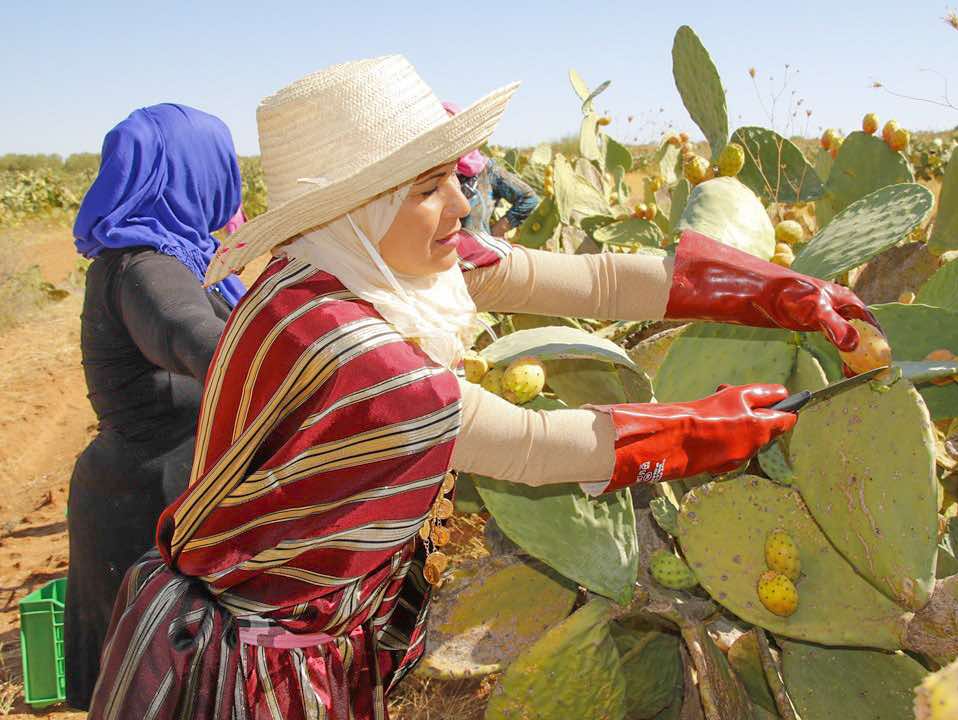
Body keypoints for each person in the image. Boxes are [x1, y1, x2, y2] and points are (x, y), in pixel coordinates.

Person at [88, 57, 878, 720]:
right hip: (252, 667)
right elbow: (540, 448)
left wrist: (775, 289)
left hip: (299, 613)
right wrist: (718, 427)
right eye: (429, 186)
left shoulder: (338, 265)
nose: (464, 204)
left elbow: (594, 278)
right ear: (356, 208)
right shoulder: (358, 356)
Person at [65, 103, 246, 710]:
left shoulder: (165, 257)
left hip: (148, 485)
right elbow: (194, 337)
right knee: (156, 691)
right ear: (194, 171)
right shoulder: (147, 268)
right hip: (148, 507)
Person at [443, 101, 539, 236]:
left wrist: (497, 231)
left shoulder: (487, 171)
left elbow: (529, 198)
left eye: (452, 130)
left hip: (478, 254)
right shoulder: (427, 174)